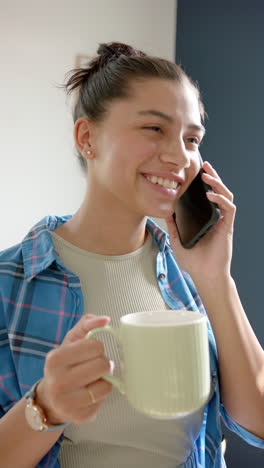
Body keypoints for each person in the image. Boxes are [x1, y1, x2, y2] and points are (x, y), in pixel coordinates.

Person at [0, 41, 263, 468]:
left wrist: (216, 276)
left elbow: (258, 418)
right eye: (154, 129)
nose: (181, 156)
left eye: (192, 138)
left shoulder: (189, 280)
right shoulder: (10, 281)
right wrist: (45, 407)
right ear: (88, 137)